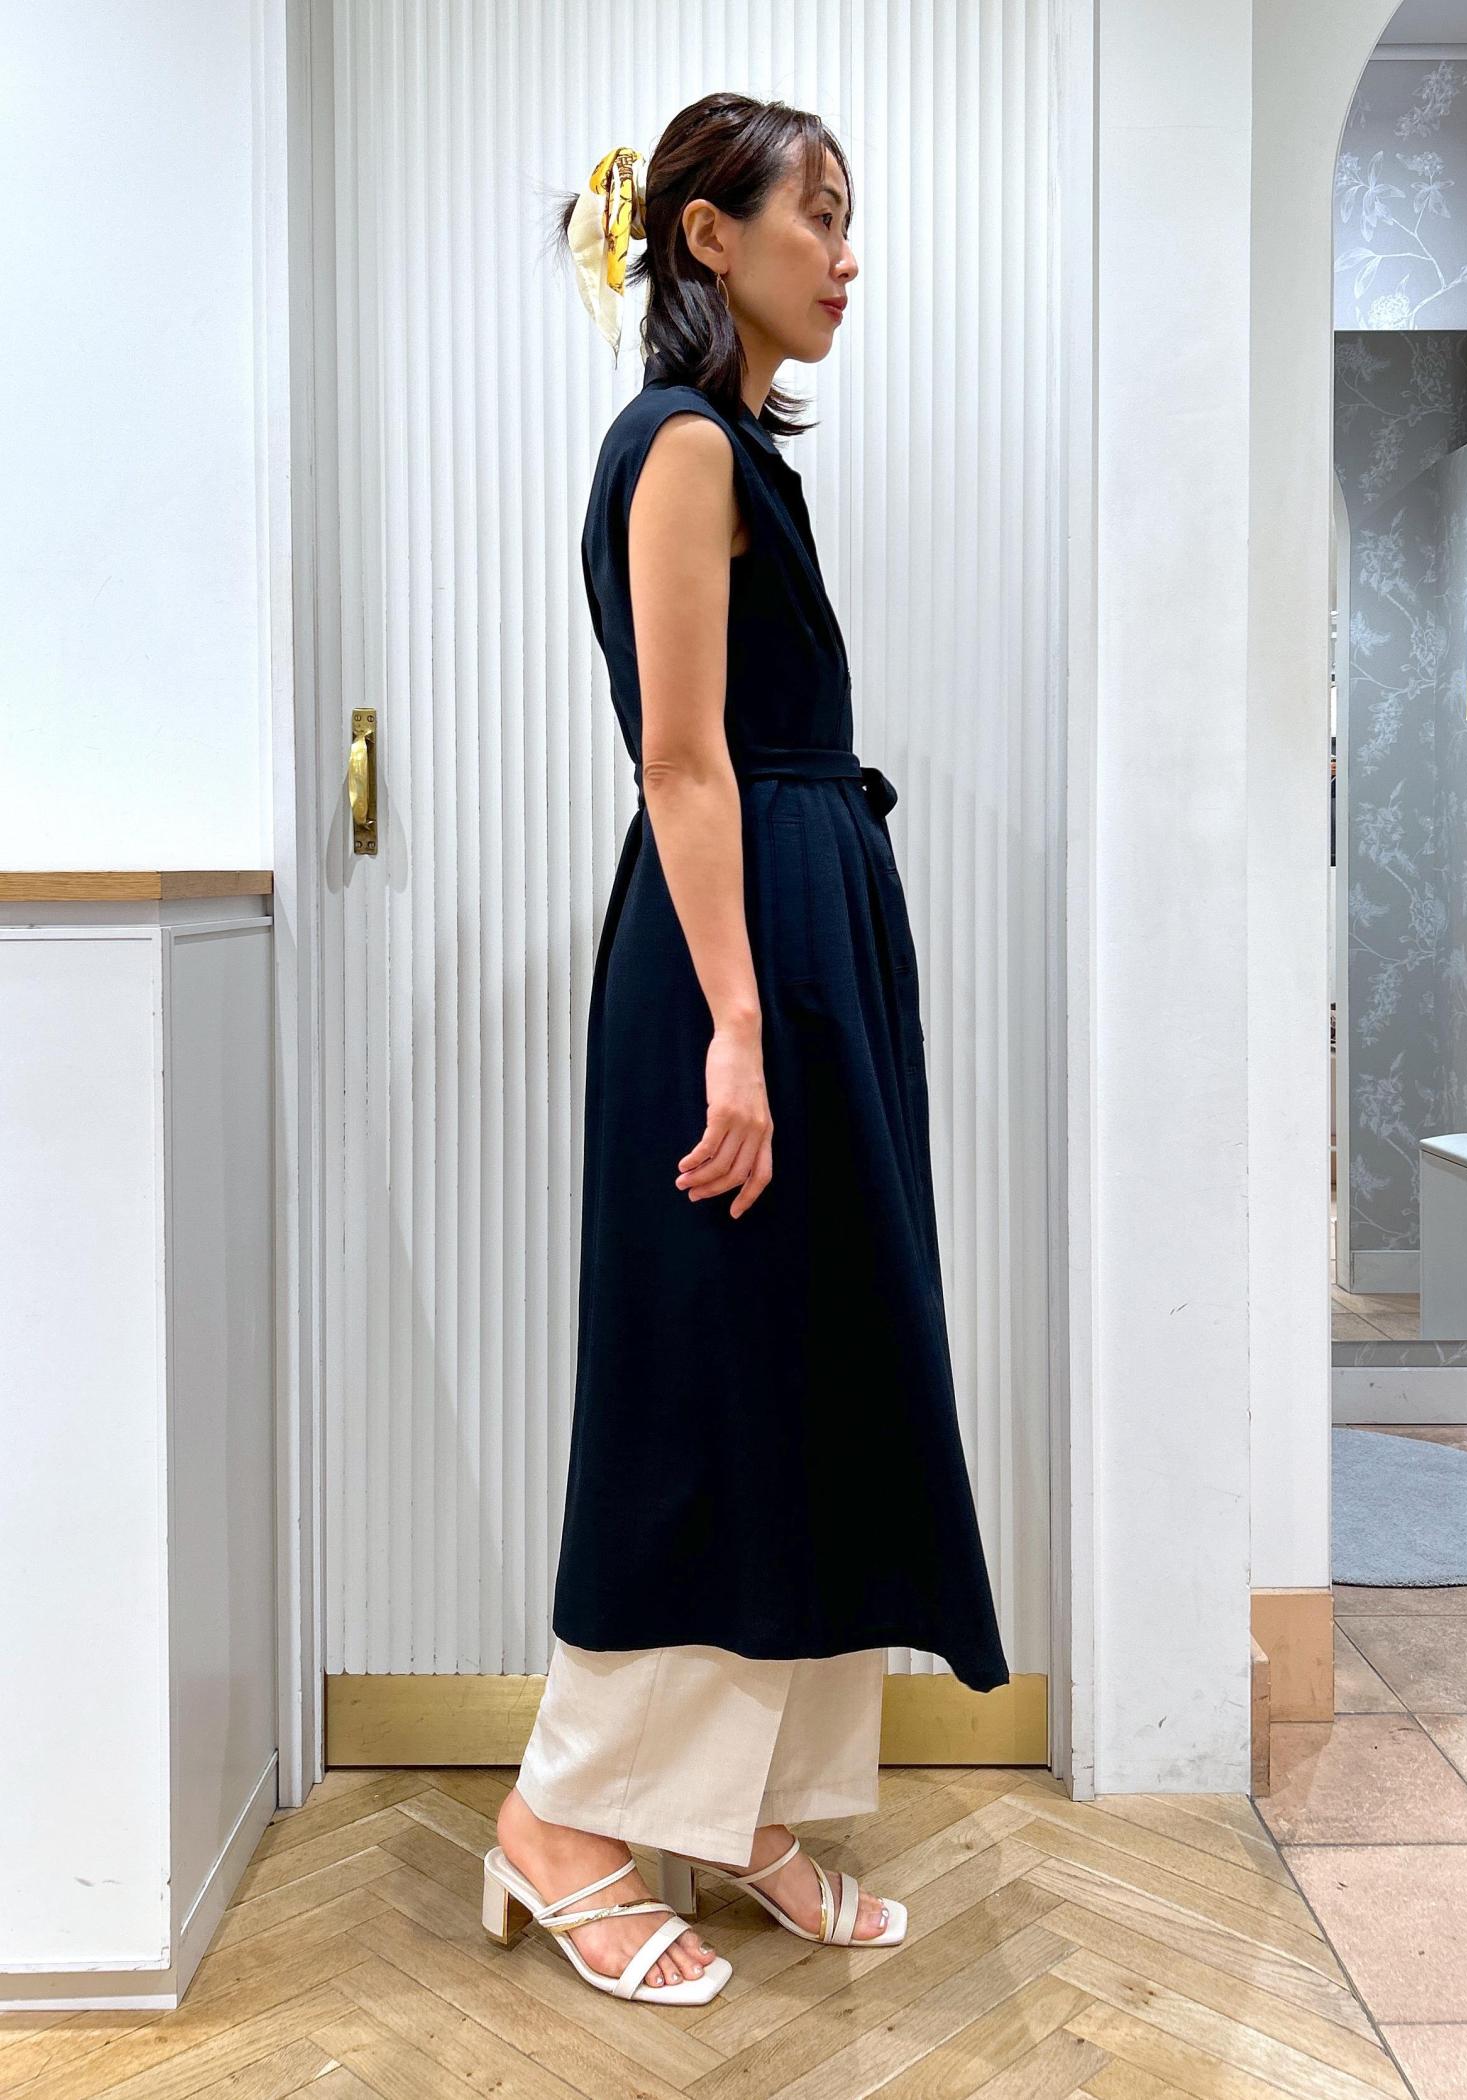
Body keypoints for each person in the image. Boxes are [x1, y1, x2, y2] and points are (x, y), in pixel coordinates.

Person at [483, 91, 1009, 2006]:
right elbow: (683, 759)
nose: (848, 257)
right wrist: (734, 1028)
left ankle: (747, 1806)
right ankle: (562, 1820)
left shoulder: (736, 451)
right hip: (743, 963)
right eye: (821, 216)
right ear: (711, 237)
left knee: (816, 1369)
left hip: (799, 937)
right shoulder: (684, 445)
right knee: (707, 1385)